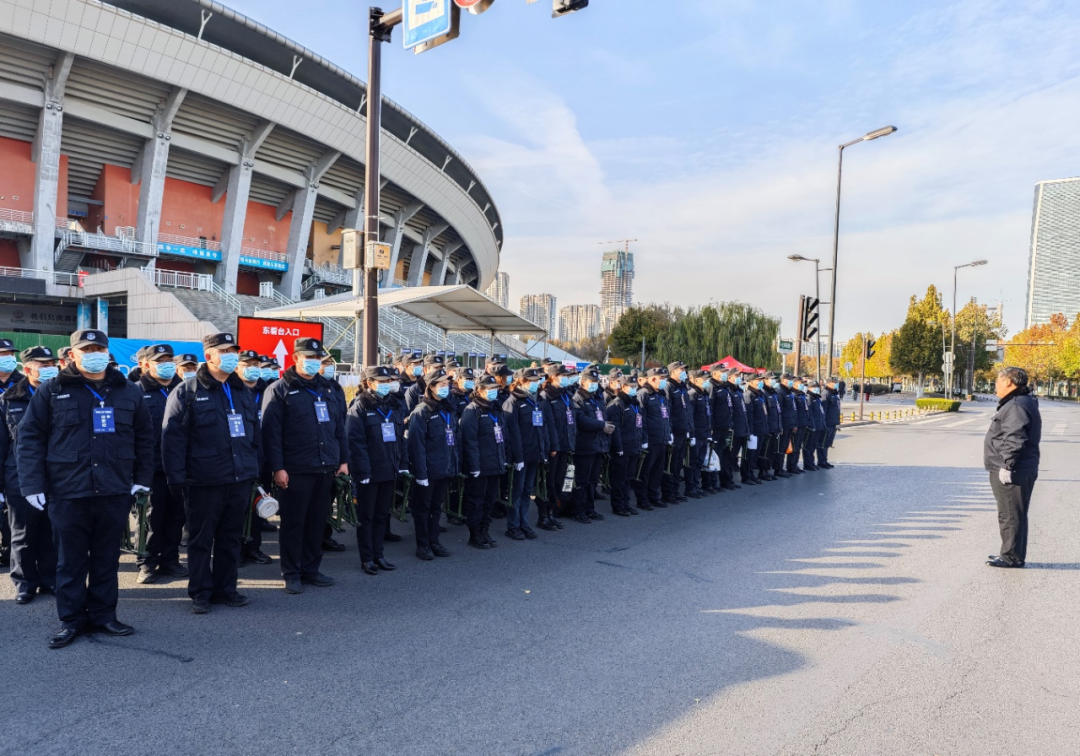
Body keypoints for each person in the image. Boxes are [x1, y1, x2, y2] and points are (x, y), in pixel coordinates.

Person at [17, 329, 153, 649]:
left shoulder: (128, 391)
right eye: (86, 349)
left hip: (114, 489)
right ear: (73, 355)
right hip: (68, 490)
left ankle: (104, 615)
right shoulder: (53, 390)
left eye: (99, 349)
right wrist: (32, 484)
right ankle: (72, 620)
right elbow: (30, 438)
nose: (94, 354)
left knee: (106, 558)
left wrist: (142, 477)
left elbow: (145, 438)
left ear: (107, 353)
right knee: (70, 561)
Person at [162, 333, 260, 613]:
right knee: (201, 539)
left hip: (239, 478)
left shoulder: (241, 390)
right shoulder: (188, 391)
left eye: (233, 351)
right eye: (225, 351)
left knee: (231, 538)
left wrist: (255, 469)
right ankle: (201, 592)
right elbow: (172, 439)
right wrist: (175, 477)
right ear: (209, 356)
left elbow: (254, 435)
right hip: (203, 480)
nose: (231, 355)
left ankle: (226, 589)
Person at [262, 338, 348, 594]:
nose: (314, 362)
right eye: (309, 357)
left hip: (325, 466)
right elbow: (271, 433)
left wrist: (343, 460)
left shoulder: (329, 388)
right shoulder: (279, 389)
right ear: (296, 358)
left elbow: (339, 428)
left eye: (317, 358)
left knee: (317, 522)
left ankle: (311, 569)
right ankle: (291, 573)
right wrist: (278, 468)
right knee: (293, 524)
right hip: (295, 469)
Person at [0, 346, 59, 604]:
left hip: (56, 475)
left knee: (51, 531)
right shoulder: (9, 399)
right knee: (23, 533)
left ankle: (49, 579)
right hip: (20, 477)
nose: (50, 369)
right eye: (43, 365)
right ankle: (24, 583)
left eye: (52, 364)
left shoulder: (63, 394)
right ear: (27, 369)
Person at [134, 344, 188, 584]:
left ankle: (170, 559)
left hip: (179, 466)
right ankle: (146, 562)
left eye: (169, 360)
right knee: (151, 518)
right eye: (160, 361)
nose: (166, 365)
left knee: (177, 516)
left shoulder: (185, 389)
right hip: (151, 467)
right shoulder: (136, 391)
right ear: (147, 365)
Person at [347, 365, 408, 575]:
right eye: (381, 382)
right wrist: (362, 472)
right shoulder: (360, 407)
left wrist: (402, 465)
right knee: (367, 517)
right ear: (369, 383)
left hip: (388, 470)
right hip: (369, 473)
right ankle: (367, 558)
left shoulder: (394, 405)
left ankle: (379, 555)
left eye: (387, 381)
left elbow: (400, 439)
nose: (386, 385)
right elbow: (356, 443)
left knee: (382, 515)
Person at [985, 367, 1041, 568]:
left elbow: (1015, 438)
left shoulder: (1016, 405)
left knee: (1010, 514)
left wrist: (1007, 465)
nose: (996, 386)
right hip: (1019, 467)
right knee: (1014, 513)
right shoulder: (1020, 402)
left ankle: (1011, 557)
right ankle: (1012, 553)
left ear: (1009, 382)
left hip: (1014, 469)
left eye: (997, 381)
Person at [406, 367, 456, 560]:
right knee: (423, 509)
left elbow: (453, 441)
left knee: (436, 508)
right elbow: (416, 446)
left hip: (444, 468)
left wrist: (453, 465)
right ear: (431, 387)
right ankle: (423, 545)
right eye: (442, 384)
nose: (446, 387)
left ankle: (434, 541)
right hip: (427, 470)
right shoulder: (421, 412)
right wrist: (421, 474)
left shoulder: (447, 409)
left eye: (447, 384)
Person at [502, 367, 551, 540]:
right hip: (521, 455)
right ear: (522, 382)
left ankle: (524, 524)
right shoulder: (513, 401)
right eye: (532, 381)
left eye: (537, 380)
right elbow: (512, 433)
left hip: (534, 453)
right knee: (516, 491)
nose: (536, 383)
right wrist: (518, 457)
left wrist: (543, 451)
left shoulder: (535, 400)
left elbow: (541, 428)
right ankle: (513, 526)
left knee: (526, 491)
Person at [460, 374, 507, 549]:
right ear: (479, 390)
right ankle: (475, 534)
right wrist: (474, 466)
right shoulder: (472, 410)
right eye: (490, 389)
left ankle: (485, 530)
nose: (494, 392)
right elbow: (469, 440)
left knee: (490, 500)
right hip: (479, 465)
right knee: (476, 501)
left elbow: (503, 436)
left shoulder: (495, 409)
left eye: (495, 389)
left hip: (495, 463)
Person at [237, 350, 273, 565]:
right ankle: (235, 551)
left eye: (255, 365)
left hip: (262, 458)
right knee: (236, 509)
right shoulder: (231, 391)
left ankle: (253, 547)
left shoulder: (268, 391)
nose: (252, 368)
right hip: (237, 458)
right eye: (247, 364)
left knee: (260, 504)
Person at [569, 368, 612, 524]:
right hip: (584, 445)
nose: (594, 384)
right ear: (583, 382)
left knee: (593, 480)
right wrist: (601, 426)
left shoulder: (597, 397)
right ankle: (578, 510)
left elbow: (602, 416)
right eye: (591, 382)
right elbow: (581, 420)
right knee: (582, 481)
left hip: (597, 445)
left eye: (596, 381)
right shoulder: (577, 398)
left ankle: (590, 508)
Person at [538, 363, 574, 527]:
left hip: (565, 445)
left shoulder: (565, 395)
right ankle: (543, 515)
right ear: (553, 377)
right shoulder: (546, 396)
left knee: (559, 481)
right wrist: (553, 446)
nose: (566, 379)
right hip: (554, 447)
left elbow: (571, 421)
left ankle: (552, 512)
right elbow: (549, 424)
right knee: (548, 482)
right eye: (563, 376)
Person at [319, 354, 348, 553]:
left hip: (332, 452)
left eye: (330, 363)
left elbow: (341, 423)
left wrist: (343, 458)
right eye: (324, 363)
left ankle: (325, 536)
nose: (329, 367)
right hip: (311, 456)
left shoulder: (335, 388)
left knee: (327, 501)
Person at [606, 369, 643, 515]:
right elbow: (615, 429)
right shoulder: (616, 404)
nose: (634, 389)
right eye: (630, 386)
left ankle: (626, 504)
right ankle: (618, 506)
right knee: (618, 479)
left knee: (628, 478)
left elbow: (639, 425)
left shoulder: (634, 403)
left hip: (633, 446)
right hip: (622, 448)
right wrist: (618, 448)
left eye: (635, 386)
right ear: (623, 387)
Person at [634, 367, 671, 509]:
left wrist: (668, 433)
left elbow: (666, 416)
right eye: (662, 378)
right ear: (653, 379)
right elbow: (640, 419)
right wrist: (643, 439)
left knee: (657, 471)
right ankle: (642, 499)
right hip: (650, 440)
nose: (664, 381)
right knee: (645, 471)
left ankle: (654, 496)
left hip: (662, 439)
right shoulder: (643, 394)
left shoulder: (661, 394)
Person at [662, 361, 693, 503]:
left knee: (678, 462)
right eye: (681, 369)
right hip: (674, 430)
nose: (683, 372)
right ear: (673, 371)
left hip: (683, 430)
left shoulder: (682, 387)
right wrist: (669, 431)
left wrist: (689, 428)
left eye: (684, 369)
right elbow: (667, 410)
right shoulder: (669, 386)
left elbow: (687, 409)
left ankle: (675, 490)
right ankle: (668, 493)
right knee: (671, 463)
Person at [686, 369, 712, 498]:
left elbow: (707, 414)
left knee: (700, 461)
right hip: (696, 433)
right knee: (692, 462)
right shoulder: (692, 394)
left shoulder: (704, 394)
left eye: (707, 379)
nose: (706, 381)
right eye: (704, 379)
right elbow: (690, 416)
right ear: (696, 380)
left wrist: (709, 431)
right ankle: (690, 488)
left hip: (704, 433)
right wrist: (691, 435)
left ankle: (697, 485)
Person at [743, 374, 768, 484]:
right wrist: (750, 432)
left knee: (755, 454)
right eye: (758, 380)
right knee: (749, 455)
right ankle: (746, 476)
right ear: (751, 382)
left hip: (761, 428)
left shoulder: (760, 394)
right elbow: (749, 415)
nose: (760, 382)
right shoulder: (749, 395)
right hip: (753, 430)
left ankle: (751, 473)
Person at [775, 374, 797, 478]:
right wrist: (780, 426)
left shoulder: (789, 392)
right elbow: (779, 411)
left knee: (784, 447)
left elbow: (792, 410)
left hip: (789, 424)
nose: (791, 381)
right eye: (789, 379)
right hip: (784, 424)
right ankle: (778, 469)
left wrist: (793, 424)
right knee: (781, 447)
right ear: (783, 380)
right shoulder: (780, 392)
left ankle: (781, 467)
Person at [788, 377, 809, 474]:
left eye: (803, 383)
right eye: (800, 383)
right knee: (794, 446)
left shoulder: (801, 394)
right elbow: (794, 412)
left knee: (798, 446)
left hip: (803, 423)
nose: (802, 385)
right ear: (794, 384)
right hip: (797, 424)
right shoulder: (793, 395)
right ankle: (791, 466)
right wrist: (794, 424)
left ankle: (795, 465)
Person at [820, 377, 841, 469]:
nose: (836, 384)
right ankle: (822, 461)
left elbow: (837, 409)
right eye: (834, 382)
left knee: (828, 443)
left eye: (836, 382)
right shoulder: (825, 393)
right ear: (828, 383)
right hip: (827, 422)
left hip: (833, 422)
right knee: (823, 443)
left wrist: (837, 422)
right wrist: (823, 423)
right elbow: (823, 410)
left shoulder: (834, 393)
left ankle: (825, 460)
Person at [805, 381, 825, 471]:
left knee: (813, 445)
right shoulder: (809, 398)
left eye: (817, 387)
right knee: (809, 446)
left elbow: (821, 412)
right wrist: (812, 425)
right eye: (814, 387)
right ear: (809, 388)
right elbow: (810, 413)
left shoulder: (817, 397)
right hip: (812, 426)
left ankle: (812, 463)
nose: (816, 388)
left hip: (818, 425)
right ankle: (808, 464)